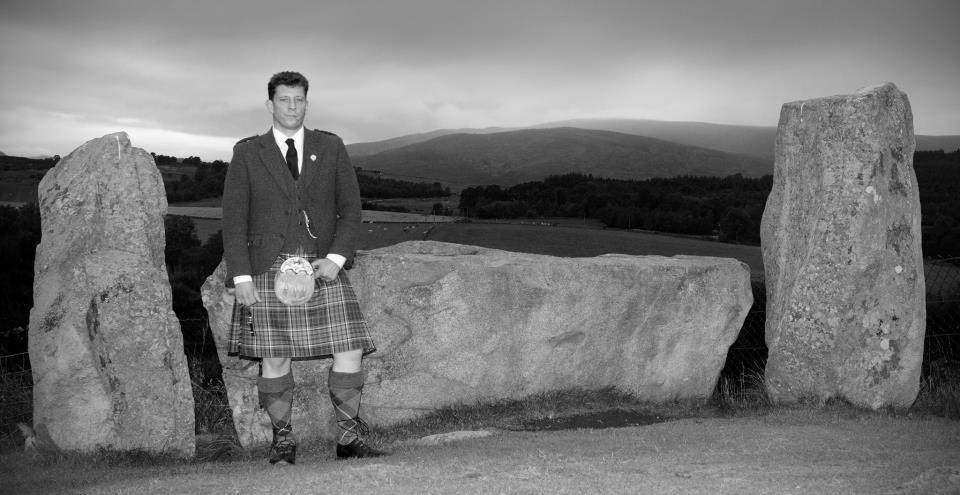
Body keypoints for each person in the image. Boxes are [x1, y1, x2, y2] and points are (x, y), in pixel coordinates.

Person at [221, 70, 386, 464]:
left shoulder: (330, 147)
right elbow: (233, 217)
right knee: (274, 357)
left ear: (307, 103)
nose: (292, 107)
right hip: (264, 267)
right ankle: (282, 441)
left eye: (298, 100)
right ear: (270, 104)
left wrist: (336, 258)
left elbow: (351, 210)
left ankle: (348, 439)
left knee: (350, 349)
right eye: (284, 99)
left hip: (320, 265)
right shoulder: (248, 152)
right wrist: (241, 277)